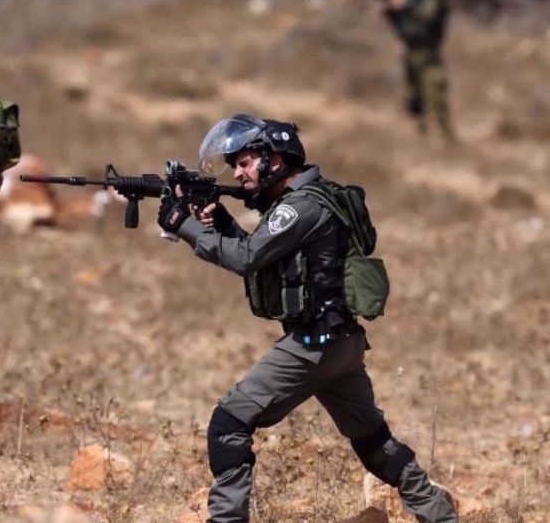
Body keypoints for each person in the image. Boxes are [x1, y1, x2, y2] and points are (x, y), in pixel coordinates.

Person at [156, 114, 458, 523]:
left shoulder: (300, 207)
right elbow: (264, 253)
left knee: (229, 424)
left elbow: (246, 258)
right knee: (373, 441)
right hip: (341, 344)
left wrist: (184, 225)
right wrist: (221, 222)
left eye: (245, 162)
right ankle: (439, 514)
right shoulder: (312, 198)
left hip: (311, 347)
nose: (238, 173)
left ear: (275, 161)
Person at [383, 0, 454, 140]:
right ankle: (421, 136)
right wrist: (391, 13)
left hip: (428, 55)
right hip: (411, 53)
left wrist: (406, 4)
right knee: (415, 100)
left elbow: (427, 16)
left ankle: (446, 139)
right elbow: (403, 28)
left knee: (436, 98)